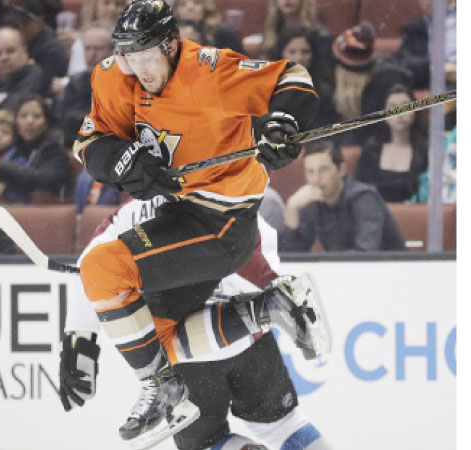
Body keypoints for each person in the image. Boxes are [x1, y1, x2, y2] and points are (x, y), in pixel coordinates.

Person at [72, 1, 319, 446]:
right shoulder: (115, 73)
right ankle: (169, 379)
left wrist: (283, 122)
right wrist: (121, 160)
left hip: (224, 222)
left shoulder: (208, 71)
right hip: (182, 218)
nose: (138, 69)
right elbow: (90, 142)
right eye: (129, 58)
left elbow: (293, 76)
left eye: (146, 57)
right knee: (146, 324)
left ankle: (167, 382)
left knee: (107, 273)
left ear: (170, 46)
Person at [60, 195, 334, 450]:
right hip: (250, 340)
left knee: (202, 442)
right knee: (283, 425)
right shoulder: (227, 195)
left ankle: (258, 311)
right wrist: (269, 292)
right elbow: (257, 252)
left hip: (186, 353)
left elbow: (89, 266)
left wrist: (79, 338)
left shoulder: (137, 206)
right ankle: (259, 311)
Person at [280, 140, 405, 252]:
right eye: (310, 172)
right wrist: (292, 209)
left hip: (390, 273)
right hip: (341, 272)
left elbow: (365, 254)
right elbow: (293, 256)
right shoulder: (311, 200)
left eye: (324, 170)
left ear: (341, 170)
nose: (316, 179)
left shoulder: (365, 198)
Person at [0, 94, 69, 202]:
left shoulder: (54, 149)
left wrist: (0, 167)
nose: (29, 121)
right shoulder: (12, 145)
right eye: (23, 116)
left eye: (36, 116)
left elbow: (42, 180)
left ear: (46, 122)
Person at [355, 84, 428, 203]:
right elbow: (359, 192)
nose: (400, 113)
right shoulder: (370, 151)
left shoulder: (425, 151)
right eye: (393, 107)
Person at [56, 22, 115, 148]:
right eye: (87, 48)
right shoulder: (75, 83)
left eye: (98, 49)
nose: (92, 55)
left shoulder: (124, 84)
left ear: (112, 51)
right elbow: (61, 120)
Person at [0, 26, 45, 131]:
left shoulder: (33, 74)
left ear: (24, 52)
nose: (4, 58)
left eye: (10, 51)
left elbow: (11, 112)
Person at [0, 0, 69, 97]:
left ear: (39, 20)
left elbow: (44, 89)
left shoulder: (52, 50)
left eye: (25, 24)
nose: (20, 29)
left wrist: (22, 69)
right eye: (16, 25)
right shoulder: (8, 42)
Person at [273, 25, 337, 129]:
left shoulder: (324, 91)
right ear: (281, 54)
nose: (299, 58)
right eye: (292, 52)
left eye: (305, 52)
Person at [394, 0, 457, 91]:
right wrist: (439, 68)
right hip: (438, 88)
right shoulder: (414, 28)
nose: (426, 2)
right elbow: (406, 64)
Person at [57, 0, 127, 76]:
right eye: (106, 3)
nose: (112, 8)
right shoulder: (82, 40)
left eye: (119, 4)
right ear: (94, 7)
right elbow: (77, 75)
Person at [172, 0, 244, 53]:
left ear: (205, 7)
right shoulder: (169, 34)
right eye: (182, 4)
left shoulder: (222, 32)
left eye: (197, 3)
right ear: (176, 11)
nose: (190, 7)